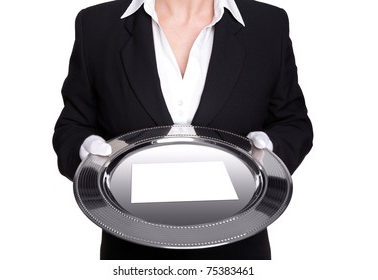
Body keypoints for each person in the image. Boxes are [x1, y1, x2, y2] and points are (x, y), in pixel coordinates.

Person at [53, 0, 313, 260]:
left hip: (238, 255)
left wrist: (270, 151)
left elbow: (293, 123)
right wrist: (84, 152)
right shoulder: (97, 25)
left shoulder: (267, 24)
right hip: (131, 255)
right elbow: (73, 125)